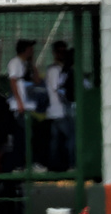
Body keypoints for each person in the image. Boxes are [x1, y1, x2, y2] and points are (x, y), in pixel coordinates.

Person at [6, 39, 40, 171]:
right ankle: (21, 164)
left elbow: (37, 80)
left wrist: (33, 64)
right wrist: (19, 102)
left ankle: (26, 162)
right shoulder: (15, 63)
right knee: (22, 135)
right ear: (24, 50)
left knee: (29, 134)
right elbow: (13, 81)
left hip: (29, 104)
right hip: (20, 106)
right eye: (30, 49)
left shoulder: (27, 64)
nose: (32, 51)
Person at [45, 41, 74, 172]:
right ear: (55, 53)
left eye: (64, 51)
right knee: (70, 137)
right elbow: (59, 88)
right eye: (60, 52)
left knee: (56, 140)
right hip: (58, 110)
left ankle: (54, 166)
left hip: (59, 111)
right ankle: (72, 165)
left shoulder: (64, 69)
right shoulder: (54, 70)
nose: (62, 54)